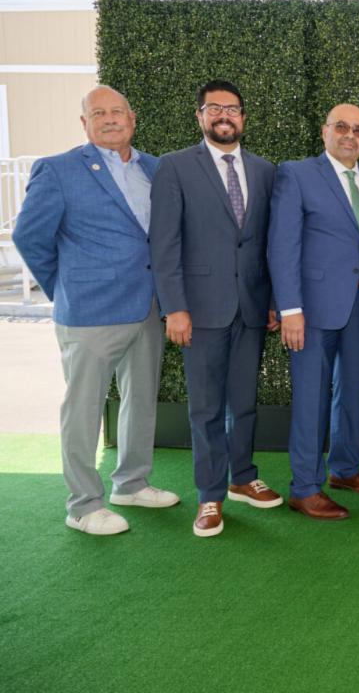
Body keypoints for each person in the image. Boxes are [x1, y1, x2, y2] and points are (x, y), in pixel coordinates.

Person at [13, 85, 179, 535]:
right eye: (98, 113)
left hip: (145, 307)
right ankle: (84, 505)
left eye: (117, 112)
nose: (109, 119)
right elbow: (30, 237)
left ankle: (131, 483)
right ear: (83, 123)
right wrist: (66, 285)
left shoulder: (155, 167)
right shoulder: (59, 169)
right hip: (88, 312)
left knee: (141, 400)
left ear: (133, 118)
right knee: (83, 409)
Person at [150, 80, 283, 538]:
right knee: (206, 408)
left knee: (243, 402)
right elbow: (164, 245)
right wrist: (175, 308)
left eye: (233, 109)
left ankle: (243, 478)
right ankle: (210, 495)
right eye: (214, 108)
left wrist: (270, 303)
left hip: (249, 308)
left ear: (244, 117)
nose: (224, 116)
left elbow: (266, 245)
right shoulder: (174, 168)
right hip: (200, 311)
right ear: (200, 116)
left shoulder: (265, 171)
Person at [267, 103, 359, 520]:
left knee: (352, 391)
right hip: (312, 310)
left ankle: (345, 469)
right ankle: (304, 487)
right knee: (311, 397)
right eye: (342, 126)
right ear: (325, 132)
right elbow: (282, 245)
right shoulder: (297, 174)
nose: (350, 135)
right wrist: (290, 309)